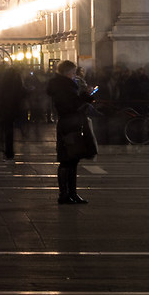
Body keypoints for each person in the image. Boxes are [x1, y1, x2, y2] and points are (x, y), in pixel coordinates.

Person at [47, 60, 95, 205]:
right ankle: (65, 194)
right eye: (73, 73)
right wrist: (86, 96)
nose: (75, 76)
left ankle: (71, 193)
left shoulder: (63, 85)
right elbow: (72, 106)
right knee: (68, 159)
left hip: (69, 122)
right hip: (69, 124)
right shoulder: (64, 87)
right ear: (67, 73)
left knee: (72, 159)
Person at [0, 63, 24, 163]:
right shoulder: (16, 82)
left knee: (2, 128)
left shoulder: (1, 81)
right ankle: (8, 151)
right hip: (12, 108)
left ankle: (1, 147)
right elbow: (21, 93)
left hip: (3, 108)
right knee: (9, 130)